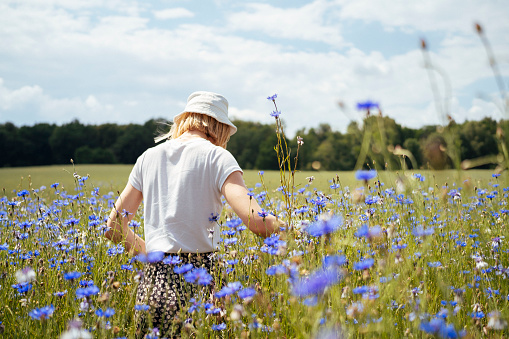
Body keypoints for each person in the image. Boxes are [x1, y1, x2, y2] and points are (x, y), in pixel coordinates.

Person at [105, 91, 281, 337]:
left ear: (185, 120)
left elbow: (113, 227)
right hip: (199, 282)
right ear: (219, 127)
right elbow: (257, 223)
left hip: (152, 284)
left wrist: (151, 256)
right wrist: (294, 228)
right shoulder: (217, 157)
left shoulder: (148, 157)